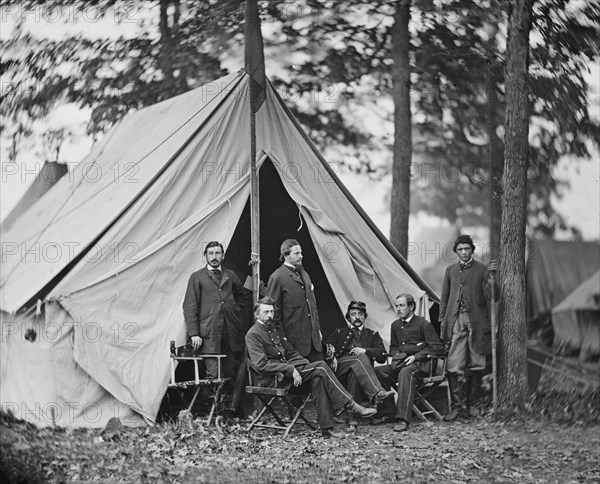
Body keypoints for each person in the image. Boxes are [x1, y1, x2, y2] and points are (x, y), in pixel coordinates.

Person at [246, 297, 377, 437]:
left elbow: (290, 352)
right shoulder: (253, 334)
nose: (270, 315)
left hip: (288, 377)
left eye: (272, 311)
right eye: (266, 312)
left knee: (318, 378)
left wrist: (302, 365)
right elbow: (261, 365)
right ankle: (351, 405)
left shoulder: (274, 330)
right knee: (320, 367)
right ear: (256, 314)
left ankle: (327, 429)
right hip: (273, 380)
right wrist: (290, 369)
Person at [439, 234, 498, 421]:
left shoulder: (482, 269)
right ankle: (457, 407)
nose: (464, 252)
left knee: (477, 363)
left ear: (472, 250)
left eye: (467, 249)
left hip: (477, 322)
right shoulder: (450, 270)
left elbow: (493, 296)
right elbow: (445, 298)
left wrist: (492, 278)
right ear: (456, 252)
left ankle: (473, 405)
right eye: (460, 249)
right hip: (455, 321)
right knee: (453, 365)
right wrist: (443, 320)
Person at [374, 293, 444, 432]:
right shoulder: (395, 325)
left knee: (406, 373)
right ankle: (388, 412)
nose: (398, 309)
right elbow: (394, 347)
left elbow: (437, 348)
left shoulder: (423, 324)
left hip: (421, 365)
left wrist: (416, 356)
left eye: (402, 305)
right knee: (379, 371)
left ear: (411, 306)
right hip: (402, 364)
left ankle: (402, 419)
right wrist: (397, 357)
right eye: (396, 306)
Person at [182, 241, 250, 379]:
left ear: (223, 256)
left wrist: (233, 308)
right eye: (210, 253)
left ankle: (225, 400)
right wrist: (194, 333)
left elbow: (243, 294)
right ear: (205, 256)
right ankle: (212, 400)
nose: (214, 256)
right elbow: (190, 306)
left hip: (229, 332)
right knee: (213, 373)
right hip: (209, 333)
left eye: (217, 253)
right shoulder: (197, 277)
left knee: (229, 372)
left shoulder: (230, 275)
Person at [324, 301, 394, 418]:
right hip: (340, 368)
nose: (357, 317)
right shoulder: (339, 332)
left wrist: (365, 350)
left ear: (365, 317)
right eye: (353, 314)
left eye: (360, 314)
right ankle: (378, 393)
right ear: (348, 317)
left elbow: (381, 357)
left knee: (355, 371)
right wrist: (332, 356)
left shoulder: (372, 334)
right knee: (358, 359)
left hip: (360, 372)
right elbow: (326, 348)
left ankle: (352, 417)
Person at [266, 239, 323, 362]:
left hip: (314, 343)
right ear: (286, 255)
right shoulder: (277, 277)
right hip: (294, 344)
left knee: (319, 376)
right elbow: (272, 314)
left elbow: (312, 306)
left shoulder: (305, 275)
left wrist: (317, 330)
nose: (301, 256)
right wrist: (282, 341)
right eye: (296, 253)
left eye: (301, 253)